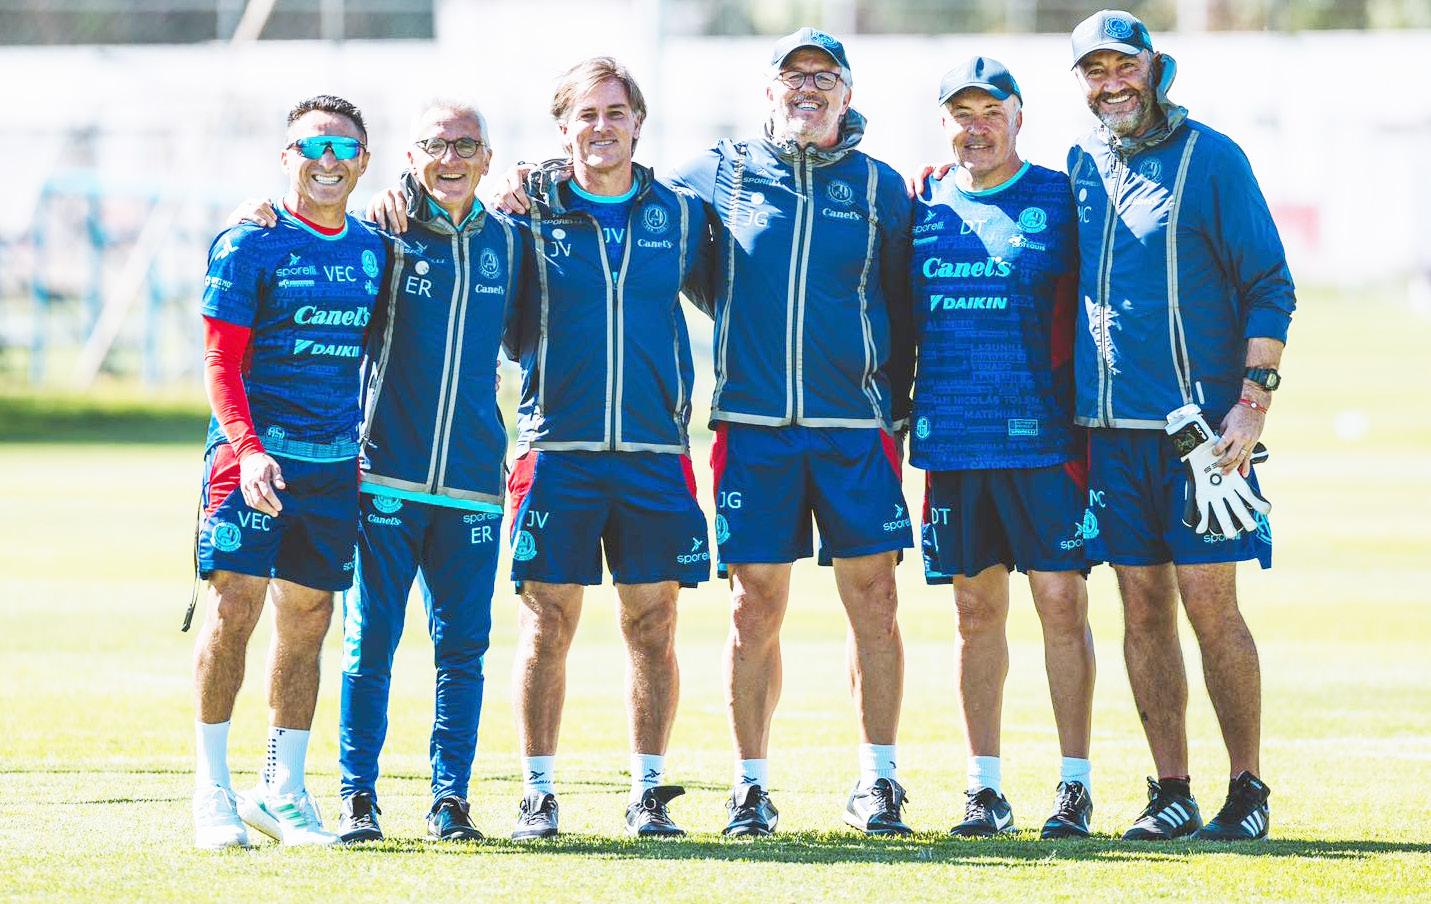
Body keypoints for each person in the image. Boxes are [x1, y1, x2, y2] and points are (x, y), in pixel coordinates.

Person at [231, 101, 522, 844]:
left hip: (473, 482)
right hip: (385, 473)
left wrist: (536, 178)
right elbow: (312, 230)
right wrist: (256, 215)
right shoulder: (382, 235)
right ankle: (357, 797)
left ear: (488, 158)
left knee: (464, 650)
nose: (451, 159)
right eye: (435, 145)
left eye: (467, 145)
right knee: (369, 647)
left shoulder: (513, 239)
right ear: (410, 157)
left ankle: (450, 800)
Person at [456, 57, 716, 840]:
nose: (601, 127)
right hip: (556, 449)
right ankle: (538, 793)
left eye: (614, 113)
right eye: (586, 115)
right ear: (563, 128)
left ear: (638, 123)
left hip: (652, 450)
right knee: (545, 626)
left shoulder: (683, 214)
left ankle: (648, 792)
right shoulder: (524, 215)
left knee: (653, 627)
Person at [669, 28, 916, 836]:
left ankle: (877, 780)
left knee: (875, 602)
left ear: (847, 94)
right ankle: (749, 787)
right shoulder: (719, 171)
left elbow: (903, 303)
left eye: (823, 76)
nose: (806, 89)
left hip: (854, 427)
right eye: (791, 76)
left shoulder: (880, 186)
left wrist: (897, 402)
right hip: (754, 427)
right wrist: (533, 182)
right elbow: (635, 206)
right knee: (753, 606)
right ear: (767, 89)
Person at [1068, 10, 1294, 841]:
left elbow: (1269, 285)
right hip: (1111, 435)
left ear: (1154, 68)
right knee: (1140, 611)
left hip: (1201, 438)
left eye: (1123, 67)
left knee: (1210, 607)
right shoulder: (1079, 165)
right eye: (1094, 71)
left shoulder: (1212, 158)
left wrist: (1252, 400)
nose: (1111, 84)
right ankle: (1170, 790)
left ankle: (1247, 790)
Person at [190, 94, 387, 849]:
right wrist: (246, 449)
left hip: (332, 467)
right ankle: (212, 790)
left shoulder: (374, 248)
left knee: (307, 622)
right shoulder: (250, 242)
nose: (328, 161)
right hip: (252, 460)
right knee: (234, 609)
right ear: (286, 158)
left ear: (363, 162)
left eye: (343, 148)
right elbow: (219, 361)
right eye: (312, 147)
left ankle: (281, 790)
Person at [912, 58, 1096, 839]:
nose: (977, 127)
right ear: (944, 122)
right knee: (974, 611)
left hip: (1043, 442)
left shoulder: (1060, 197)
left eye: (992, 111)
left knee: (1060, 603)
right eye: (963, 113)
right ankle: (982, 789)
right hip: (954, 444)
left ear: (1019, 116)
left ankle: (1074, 785)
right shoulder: (920, 202)